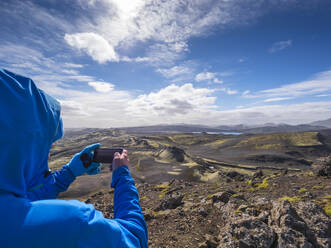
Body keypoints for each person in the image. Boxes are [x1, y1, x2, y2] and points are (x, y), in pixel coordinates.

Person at [0, 68, 148, 248]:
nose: (47, 154)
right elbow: (134, 238)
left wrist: (69, 172)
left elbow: (24, 200)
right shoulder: (73, 224)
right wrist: (122, 174)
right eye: (46, 145)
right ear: (20, 148)